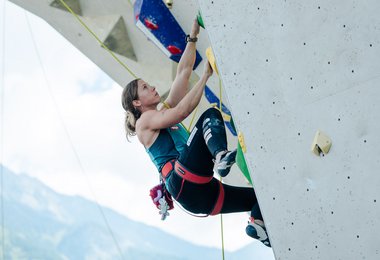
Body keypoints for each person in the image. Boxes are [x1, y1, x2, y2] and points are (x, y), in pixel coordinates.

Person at [121, 18, 270, 247]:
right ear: (137, 103)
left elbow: (183, 73)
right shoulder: (145, 122)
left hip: (200, 196)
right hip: (183, 182)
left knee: (260, 197)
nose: (152, 87)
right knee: (209, 116)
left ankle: (259, 224)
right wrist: (206, 77)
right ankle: (220, 156)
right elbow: (182, 111)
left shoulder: (160, 114)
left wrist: (192, 36)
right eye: (145, 88)